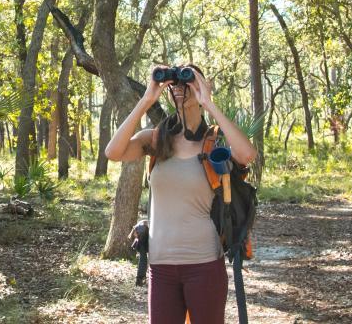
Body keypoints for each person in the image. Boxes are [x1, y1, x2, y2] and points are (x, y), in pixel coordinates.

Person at [104, 64, 258, 324]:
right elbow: (113, 152)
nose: (179, 88)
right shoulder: (156, 140)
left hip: (205, 265)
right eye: (174, 83)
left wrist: (207, 102)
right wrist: (147, 99)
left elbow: (247, 155)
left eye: (187, 81)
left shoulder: (214, 142)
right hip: (161, 267)